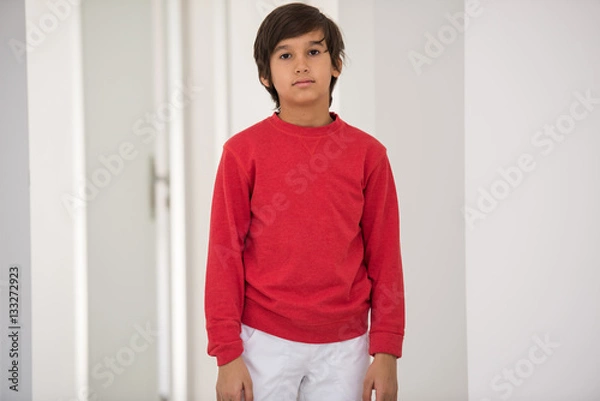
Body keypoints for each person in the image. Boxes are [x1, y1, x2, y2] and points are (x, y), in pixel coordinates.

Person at [204, 3, 405, 401]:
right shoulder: (242, 153)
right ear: (265, 74)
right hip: (263, 341)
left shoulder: (368, 155)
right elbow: (223, 254)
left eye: (314, 51)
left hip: (346, 347)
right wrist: (226, 354)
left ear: (336, 65)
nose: (301, 65)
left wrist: (386, 352)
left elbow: (386, 258)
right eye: (285, 55)